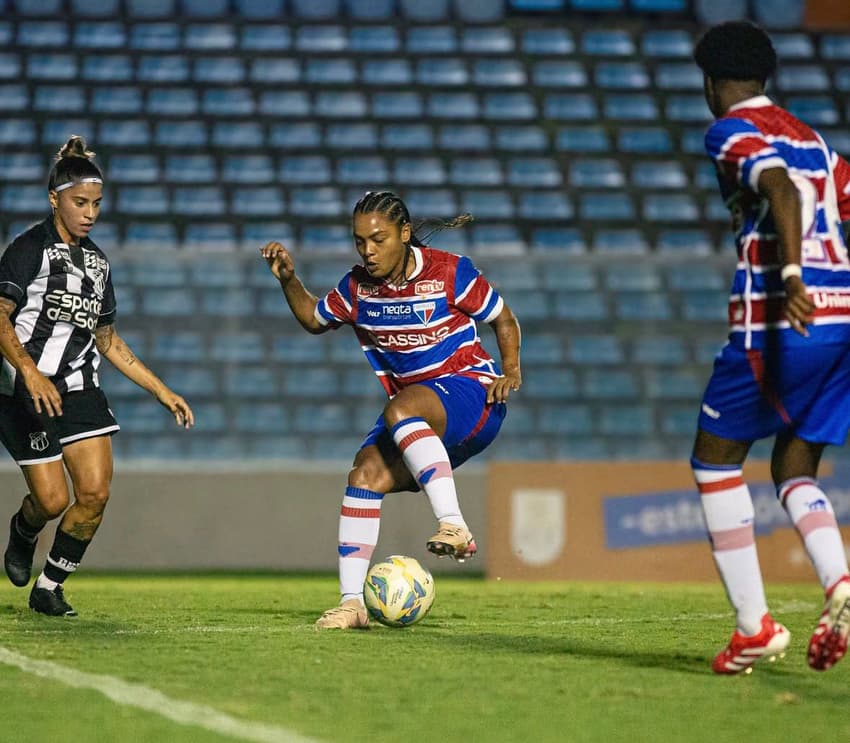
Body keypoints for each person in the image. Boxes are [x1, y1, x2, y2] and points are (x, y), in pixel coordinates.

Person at [261, 191, 521, 629]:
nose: (368, 250)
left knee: (400, 408)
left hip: (475, 396)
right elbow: (313, 319)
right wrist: (289, 279)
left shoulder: (451, 272)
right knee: (364, 473)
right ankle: (351, 604)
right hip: (418, 421)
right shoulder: (357, 287)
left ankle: (454, 524)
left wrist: (510, 371)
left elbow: (503, 318)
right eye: (360, 240)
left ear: (404, 234)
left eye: (378, 239)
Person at [691, 21, 850, 674]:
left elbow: (778, 187)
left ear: (711, 83)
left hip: (782, 319)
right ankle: (839, 583)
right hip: (843, 323)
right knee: (793, 468)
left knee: (715, 462)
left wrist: (791, 276)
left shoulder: (730, 131)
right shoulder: (811, 137)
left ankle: (754, 626)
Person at [1, 136, 194, 617]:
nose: (90, 213)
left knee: (94, 494)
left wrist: (162, 390)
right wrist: (28, 370)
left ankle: (49, 587)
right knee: (51, 500)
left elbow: (106, 339)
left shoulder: (98, 264)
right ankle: (24, 530)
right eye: (80, 203)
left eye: (96, 204)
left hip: (79, 388)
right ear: (55, 200)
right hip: (25, 391)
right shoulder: (29, 251)